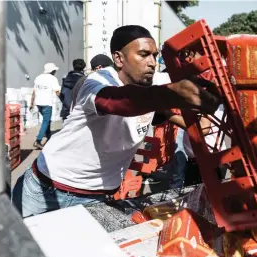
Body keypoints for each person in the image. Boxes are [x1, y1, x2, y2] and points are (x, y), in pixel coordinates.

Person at [11, 25, 220, 218]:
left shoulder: (153, 81)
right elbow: (117, 102)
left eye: (154, 55)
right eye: (143, 54)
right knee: (25, 254)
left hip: (96, 197)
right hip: (46, 191)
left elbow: (158, 106)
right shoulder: (97, 81)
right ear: (119, 59)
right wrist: (173, 94)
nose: (152, 62)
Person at [30, 63, 61, 149]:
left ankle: (48, 135)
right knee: (46, 121)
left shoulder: (38, 77)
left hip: (38, 103)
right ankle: (38, 140)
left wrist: (31, 103)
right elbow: (57, 92)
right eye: (54, 70)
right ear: (52, 71)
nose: (55, 72)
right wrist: (63, 99)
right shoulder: (53, 79)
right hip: (47, 103)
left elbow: (34, 91)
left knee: (46, 120)